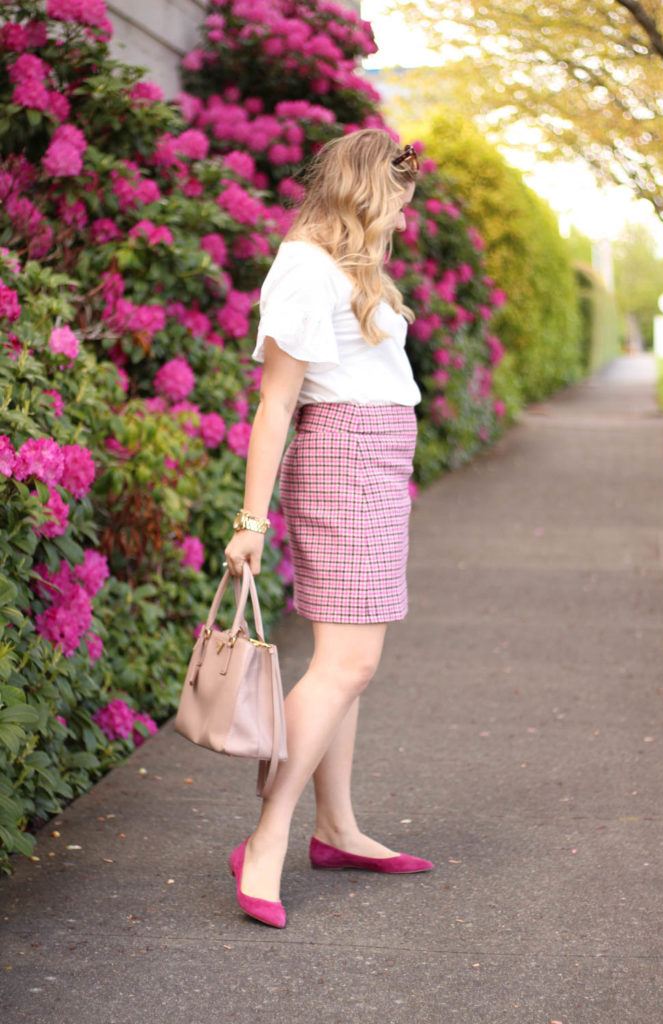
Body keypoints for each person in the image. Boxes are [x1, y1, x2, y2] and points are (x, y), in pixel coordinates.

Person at [223, 129, 433, 929]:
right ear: (367, 191)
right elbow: (277, 400)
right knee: (348, 664)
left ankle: (336, 827)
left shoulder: (349, 265)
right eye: (399, 197)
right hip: (343, 460)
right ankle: (266, 836)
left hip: (375, 462)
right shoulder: (305, 268)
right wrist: (251, 519)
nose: (406, 215)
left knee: (347, 664)